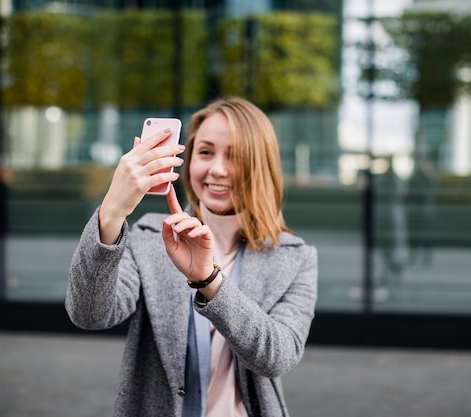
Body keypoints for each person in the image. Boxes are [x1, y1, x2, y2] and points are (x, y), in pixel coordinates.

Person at [65, 97, 318, 417]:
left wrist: (209, 280)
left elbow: (277, 357)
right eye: (206, 152)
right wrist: (112, 212)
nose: (217, 169)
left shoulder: (295, 257)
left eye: (236, 156)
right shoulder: (149, 236)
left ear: (261, 167)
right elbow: (89, 314)